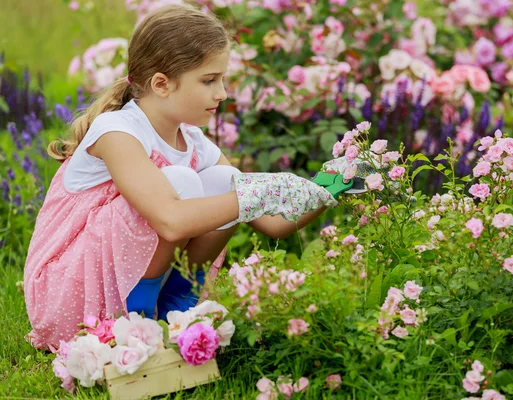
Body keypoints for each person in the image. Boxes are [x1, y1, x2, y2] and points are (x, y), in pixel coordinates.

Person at [23, 3, 338, 352]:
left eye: (222, 79)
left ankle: (178, 299)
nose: (222, 93)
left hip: (119, 276)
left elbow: (272, 223)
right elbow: (171, 222)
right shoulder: (117, 131)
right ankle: (138, 312)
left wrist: (331, 186)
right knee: (184, 185)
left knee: (225, 179)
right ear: (161, 84)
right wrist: (260, 192)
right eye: (209, 80)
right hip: (70, 292)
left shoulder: (192, 142)